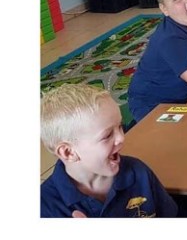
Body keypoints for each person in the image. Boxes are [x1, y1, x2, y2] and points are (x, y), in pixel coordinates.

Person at [41, 84, 177, 218]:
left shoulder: (138, 172)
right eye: (107, 135)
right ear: (68, 153)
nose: (121, 138)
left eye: (120, 127)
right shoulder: (44, 207)